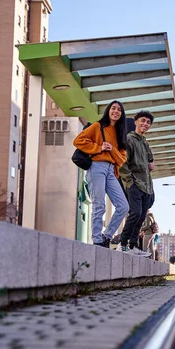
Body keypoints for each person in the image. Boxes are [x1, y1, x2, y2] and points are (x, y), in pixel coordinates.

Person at [73, 101, 129, 248]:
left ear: (122, 114)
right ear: (108, 111)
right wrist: (98, 147)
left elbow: (121, 159)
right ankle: (97, 240)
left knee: (123, 206)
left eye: (119, 110)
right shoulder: (98, 126)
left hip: (111, 170)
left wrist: (111, 149)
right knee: (99, 205)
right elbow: (78, 141)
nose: (116, 111)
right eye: (113, 108)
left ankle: (107, 236)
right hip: (96, 167)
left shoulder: (120, 133)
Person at [118, 110, 156, 255]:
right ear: (136, 122)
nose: (145, 124)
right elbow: (123, 162)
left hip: (146, 185)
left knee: (141, 217)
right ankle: (122, 244)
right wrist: (129, 182)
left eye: (148, 122)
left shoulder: (144, 143)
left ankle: (133, 247)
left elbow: (149, 161)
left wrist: (150, 165)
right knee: (135, 213)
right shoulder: (130, 139)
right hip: (135, 183)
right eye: (143, 121)